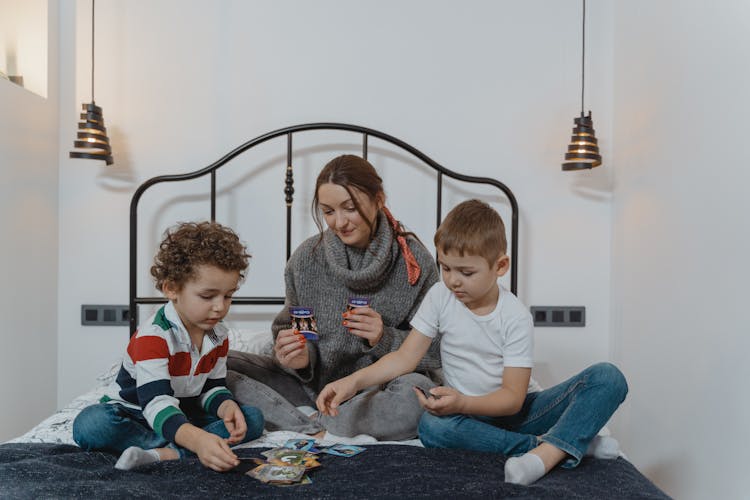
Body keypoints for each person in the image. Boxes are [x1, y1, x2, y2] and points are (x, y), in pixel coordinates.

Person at [316, 199, 628, 485]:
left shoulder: (515, 316)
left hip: (517, 413)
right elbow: (404, 358)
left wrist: (462, 402)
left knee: (608, 378)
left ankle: (547, 453)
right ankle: (562, 446)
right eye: (446, 267)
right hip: (468, 417)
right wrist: (353, 382)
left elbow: (512, 400)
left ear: (500, 267)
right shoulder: (440, 296)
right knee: (432, 428)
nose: (452, 280)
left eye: (466, 272)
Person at [227, 154, 441, 440]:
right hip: (309, 389)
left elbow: (437, 350)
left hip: (375, 394)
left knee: (420, 395)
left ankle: (304, 422)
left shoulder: (415, 264)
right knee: (217, 365)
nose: (339, 222)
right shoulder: (306, 260)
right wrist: (300, 357)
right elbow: (295, 329)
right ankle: (316, 423)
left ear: (379, 200)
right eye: (328, 211)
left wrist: (384, 338)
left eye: (350, 208)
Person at [73, 221, 264, 471]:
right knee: (91, 424)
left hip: (184, 411)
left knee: (252, 419)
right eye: (208, 296)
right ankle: (184, 448)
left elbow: (211, 388)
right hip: (138, 412)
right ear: (171, 288)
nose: (220, 306)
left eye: (228, 296)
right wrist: (198, 439)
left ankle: (162, 452)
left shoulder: (219, 335)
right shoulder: (153, 337)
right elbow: (156, 402)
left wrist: (226, 406)